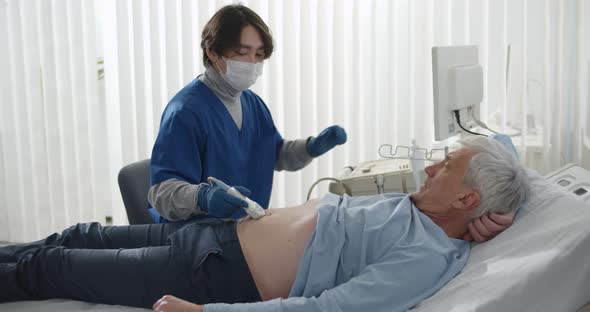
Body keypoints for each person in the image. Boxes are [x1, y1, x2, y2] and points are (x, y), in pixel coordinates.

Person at [0, 136, 530, 312]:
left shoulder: (428, 256)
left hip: (215, 275)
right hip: (212, 233)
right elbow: (499, 150)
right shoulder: (417, 205)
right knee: (78, 235)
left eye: (447, 167)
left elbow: (328, 309)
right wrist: (481, 216)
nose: (431, 165)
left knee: (53, 265)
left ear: (467, 196)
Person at [147, 4, 347, 223]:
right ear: (212, 51)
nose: (252, 63)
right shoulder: (186, 111)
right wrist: (202, 198)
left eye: (259, 55)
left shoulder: (252, 103)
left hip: (244, 232)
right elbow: (162, 194)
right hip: (198, 241)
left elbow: (273, 154)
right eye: (242, 53)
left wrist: (311, 147)